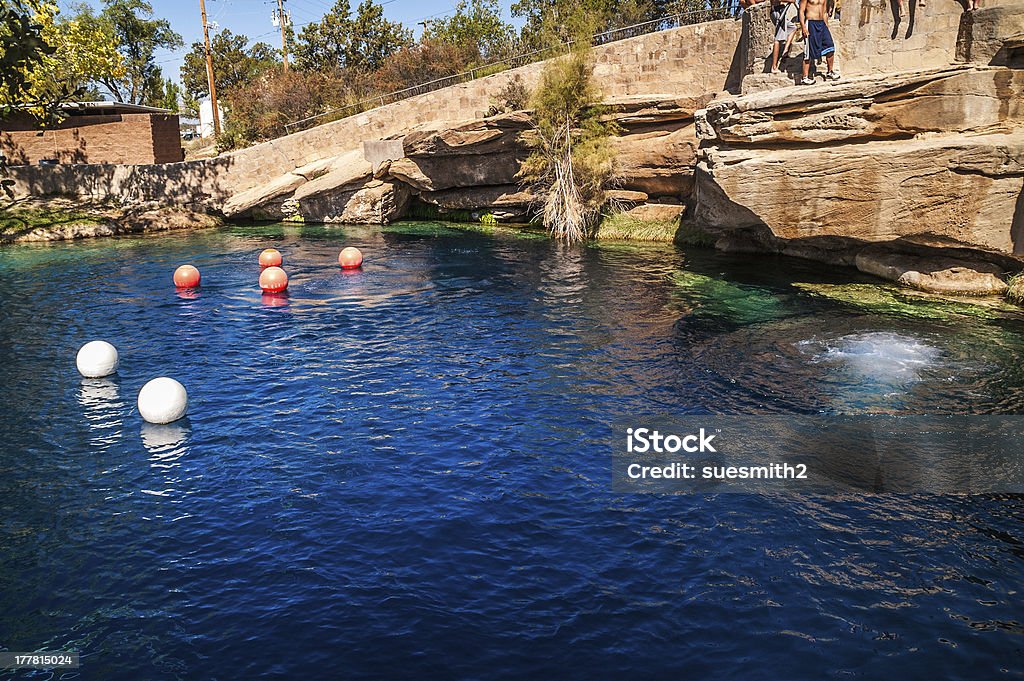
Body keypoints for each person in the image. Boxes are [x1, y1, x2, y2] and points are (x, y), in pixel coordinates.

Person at [800, 0, 840, 84]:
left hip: (822, 23)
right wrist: (803, 27)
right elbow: (801, 11)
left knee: (830, 46)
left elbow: (824, 11)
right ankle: (805, 77)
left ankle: (830, 71)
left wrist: (826, 25)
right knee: (808, 51)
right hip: (810, 23)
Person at [770, 0, 800, 72]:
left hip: (781, 10)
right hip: (778, 11)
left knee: (793, 28)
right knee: (778, 39)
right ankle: (774, 67)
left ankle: (785, 50)